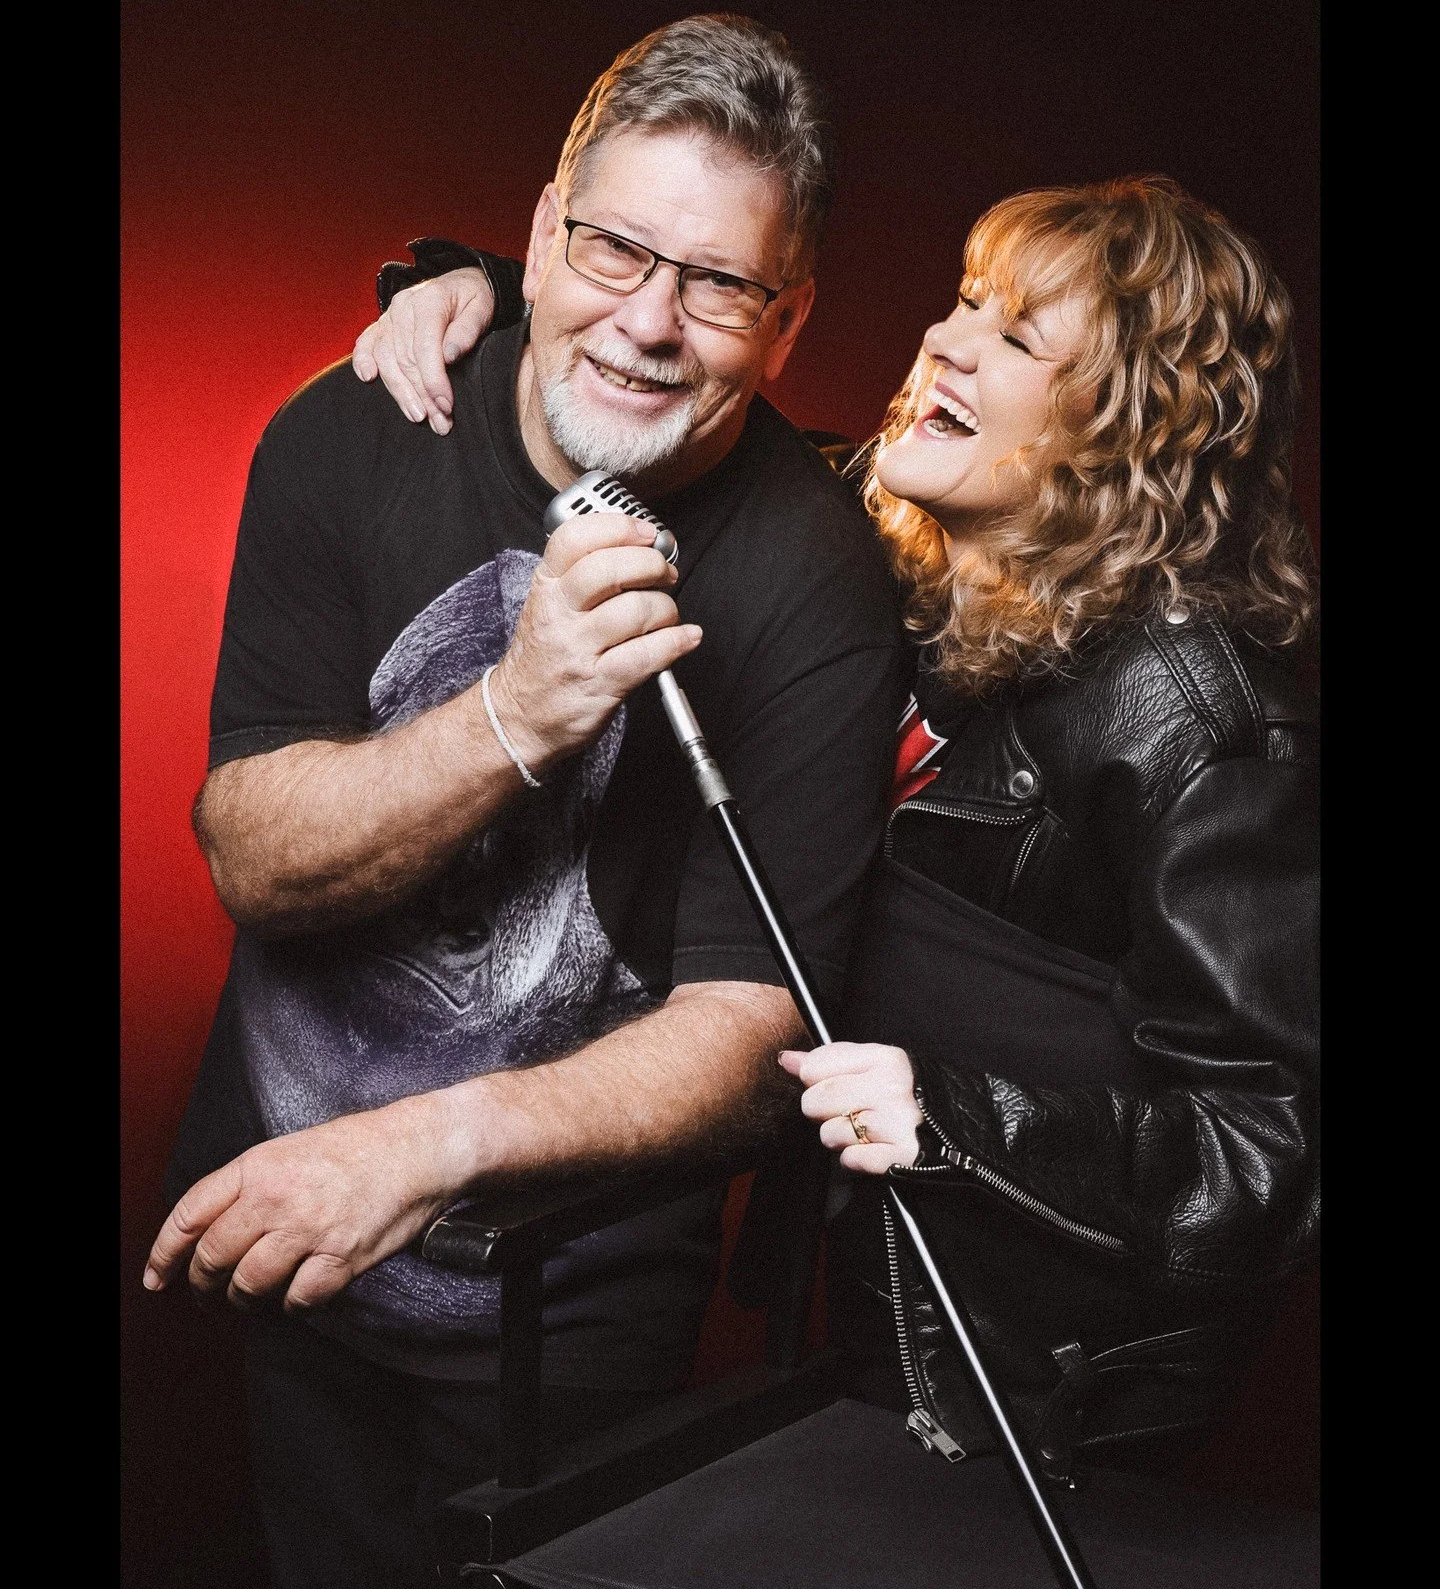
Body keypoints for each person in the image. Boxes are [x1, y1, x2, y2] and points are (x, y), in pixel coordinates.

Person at [367, 174, 1319, 1485]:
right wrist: (492, 299)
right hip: (853, 1315)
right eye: (965, 302)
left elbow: (1273, 1155)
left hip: (1051, 1400)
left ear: (1129, 428)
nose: (945, 340)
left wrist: (956, 1118)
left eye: (1020, 335)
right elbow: (706, 441)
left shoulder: (1199, 719)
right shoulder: (883, 540)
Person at [144, 15, 909, 1587]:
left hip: (564, 1313)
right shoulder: (356, 428)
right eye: (616, 248)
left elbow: (751, 1030)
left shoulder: (817, 580)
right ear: (541, 236)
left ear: (791, 318)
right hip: (282, 1234)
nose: (648, 321)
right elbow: (250, 861)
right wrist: (512, 717)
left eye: (719, 283)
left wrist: (416, 1152)